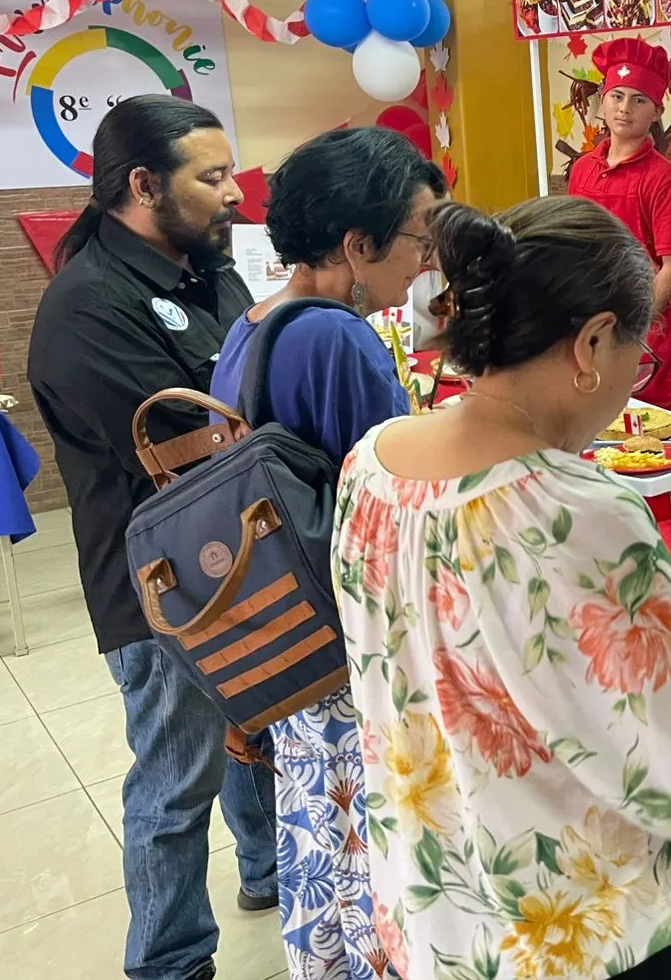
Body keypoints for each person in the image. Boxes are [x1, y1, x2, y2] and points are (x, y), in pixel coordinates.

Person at [333, 197, 671, 980]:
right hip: (580, 938)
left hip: (436, 919)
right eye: (638, 354)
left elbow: (462, 641)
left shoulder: (374, 462)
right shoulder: (576, 507)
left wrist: (643, 621)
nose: (634, 378)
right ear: (591, 342)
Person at [27, 94, 278, 980]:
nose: (235, 194)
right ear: (143, 186)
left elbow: (249, 391)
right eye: (212, 178)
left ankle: (269, 870)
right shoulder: (87, 306)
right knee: (177, 779)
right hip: (158, 585)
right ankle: (169, 961)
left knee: (255, 729)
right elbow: (192, 440)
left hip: (240, 555)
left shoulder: (208, 269)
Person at [208, 127, 447, 980]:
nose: (426, 258)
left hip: (290, 631)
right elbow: (395, 507)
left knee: (325, 826)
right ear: (358, 245)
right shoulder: (338, 339)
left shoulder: (257, 322)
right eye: (419, 236)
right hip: (352, 642)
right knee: (373, 843)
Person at [566, 37, 671, 410]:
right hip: (586, 324)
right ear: (602, 101)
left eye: (639, 100)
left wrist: (630, 324)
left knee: (642, 432)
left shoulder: (664, 178)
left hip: (641, 331)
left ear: (657, 111)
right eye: (617, 96)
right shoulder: (583, 169)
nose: (625, 108)